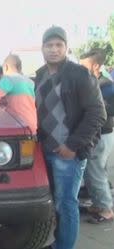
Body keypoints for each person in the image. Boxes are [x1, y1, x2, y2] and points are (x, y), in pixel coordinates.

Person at [35, 26, 106, 249]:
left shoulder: (79, 74)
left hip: (68, 153)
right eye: (49, 45)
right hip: (45, 151)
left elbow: (98, 113)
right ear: (42, 48)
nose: (54, 50)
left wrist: (73, 145)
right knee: (55, 202)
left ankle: (65, 246)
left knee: (66, 204)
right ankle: (59, 242)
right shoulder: (40, 75)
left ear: (66, 48)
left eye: (59, 45)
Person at [80, 48, 114, 224]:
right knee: (92, 171)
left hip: (103, 134)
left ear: (96, 66)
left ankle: (106, 209)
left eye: (84, 66)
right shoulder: (94, 82)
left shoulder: (106, 85)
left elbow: (107, 111)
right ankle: (98, 204)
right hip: (97, 135)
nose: (80, 70)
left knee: (96, 172)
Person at [0, 54, 37, 133]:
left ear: (6, 67)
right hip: (32, 123)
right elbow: (22, 100)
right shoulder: (29, 81)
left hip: (19, 125)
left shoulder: (9, 79)